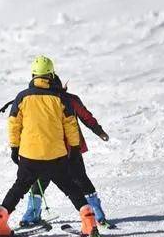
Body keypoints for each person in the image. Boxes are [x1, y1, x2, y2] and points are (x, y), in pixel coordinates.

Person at [0, 56, 100, 237]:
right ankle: (89, 222)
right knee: (71, 188)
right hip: (56, 156)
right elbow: (71, 124)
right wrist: (75, 148)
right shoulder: (60, 98)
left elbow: (13, 123)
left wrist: (14, 148)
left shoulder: (22, 97)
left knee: (18, 189)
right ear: (51, 75)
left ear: (33, 75)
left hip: (29, 156)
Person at [12, 76, 112, 227]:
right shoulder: (56, 100)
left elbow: (85, 117)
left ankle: (32, 214)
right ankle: (97, 214)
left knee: (49, 180)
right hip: (60, 150)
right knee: (73, 180)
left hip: (61, 150)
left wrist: (99, 131)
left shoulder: (58, 99)